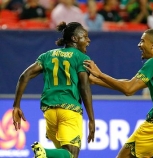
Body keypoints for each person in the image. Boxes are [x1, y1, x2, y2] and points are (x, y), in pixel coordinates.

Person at [84, 29, 153, 158]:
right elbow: (128, 83)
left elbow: (128, 89)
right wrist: (96, 81)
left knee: (124, 156)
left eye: (142, 41)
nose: (139, 45)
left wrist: (100, 74)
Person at [12, 21, 95, 158]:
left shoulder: (47, 55)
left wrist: (16, 105)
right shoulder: (82, 58)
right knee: (71, 154)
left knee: (62, 155)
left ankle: (46, 155)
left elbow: (24, 76)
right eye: (85, 37)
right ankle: (45, 152)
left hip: (49, 112)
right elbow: (84, 87)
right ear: (74, 39)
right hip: (69, 110)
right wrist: (91, 119)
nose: (88, 40)